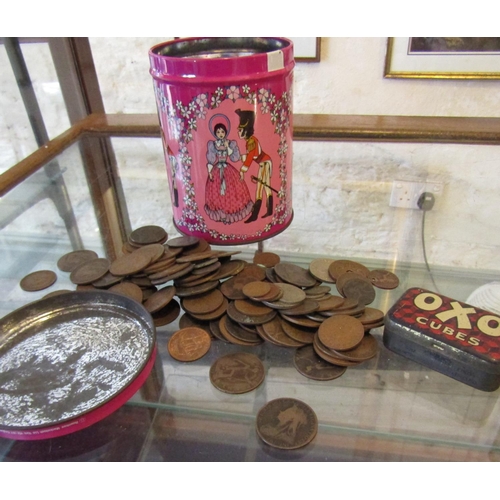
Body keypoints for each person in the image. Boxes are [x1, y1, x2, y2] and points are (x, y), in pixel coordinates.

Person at [204, 117, 253, 224]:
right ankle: (221, 215)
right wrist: (210, 171)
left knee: (232, 192)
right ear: (214, 133)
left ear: (225, 132)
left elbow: (235, 158)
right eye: (218, 132)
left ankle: (229, 216)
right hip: (217, 170)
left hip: (228, 170)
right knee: (217, 193)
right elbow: (211, 159)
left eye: (222, 131)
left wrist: (228, 148)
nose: (220, 134)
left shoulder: (230, 143)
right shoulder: (213, 144)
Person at [235, 109, 274, 223]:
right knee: (266, 188)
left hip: (264, 163)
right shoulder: (250, 141)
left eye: (240, 130)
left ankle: (255, 215)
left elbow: (250, 157)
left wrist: (242, 170)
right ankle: (269, 211)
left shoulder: (251, 142)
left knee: (259, 190)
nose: (238, 132)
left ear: (245, 131)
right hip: (265, 162)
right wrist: (239, 158)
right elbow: (250, 156)